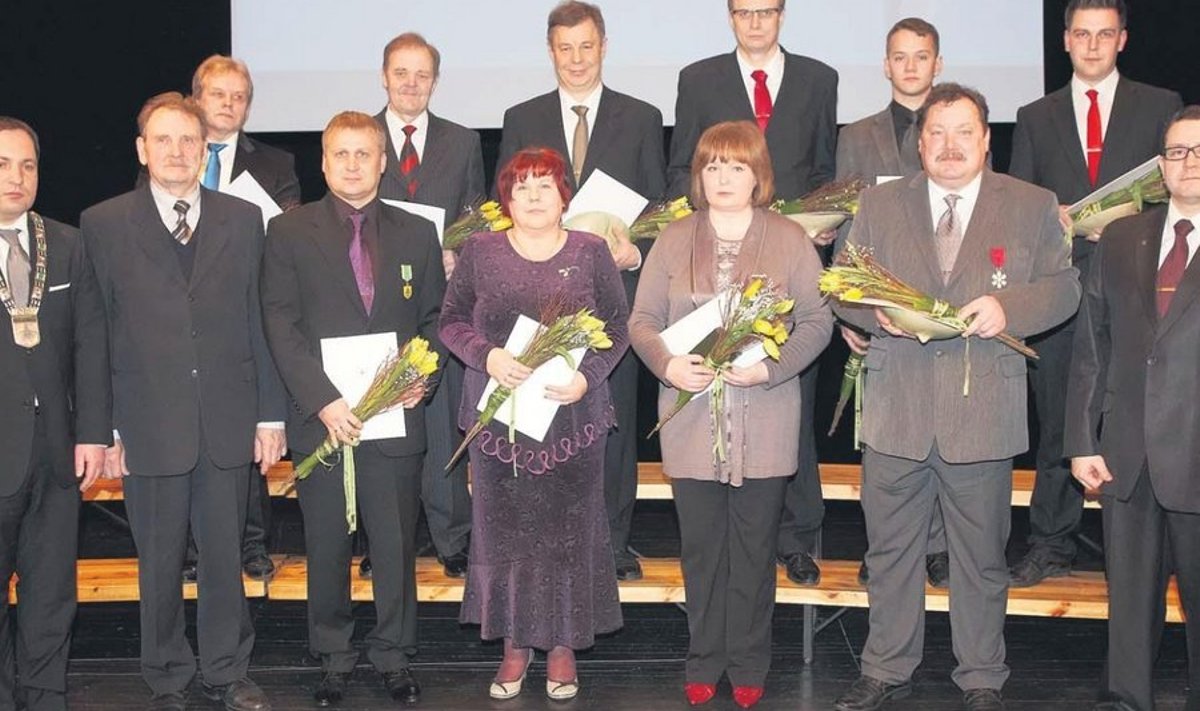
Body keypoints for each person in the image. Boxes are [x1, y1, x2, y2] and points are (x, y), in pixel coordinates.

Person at [831, 84, 1080, 711]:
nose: (949, 145)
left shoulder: (1031, 204)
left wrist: (1008, 306)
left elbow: (1065, 288)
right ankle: (885, 668)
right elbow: (838, 285)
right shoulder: (881, 205)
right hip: (897, 410)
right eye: (936, 132)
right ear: (920, 142)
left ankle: (981, 679)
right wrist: (870, 312)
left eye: (963, 131)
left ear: (986, 138)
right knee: (889, 554)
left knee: (980, 560)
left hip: (983, 414)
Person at [82, 92, 286, 711]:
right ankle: (167, 675)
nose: (177, 152)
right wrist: (101, 427)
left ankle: (227, 671)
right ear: (142, 150)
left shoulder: (243, 219)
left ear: (205, 151)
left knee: (224, 558)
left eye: (188, 141)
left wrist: (269, 414)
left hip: (228, 421)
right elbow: (95, 334)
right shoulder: (104, 223)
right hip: (146, 426)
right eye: (163, 140)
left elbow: (261, 320)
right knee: (160, 563)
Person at [629, 120, 832, 709]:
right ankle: (703, 659)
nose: (723, 177)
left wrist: (770, 369)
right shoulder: (673, 238)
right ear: (699, 175)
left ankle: (748, 662)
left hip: (764, 413)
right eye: (713, 166)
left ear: (757, 175)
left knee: (752, 548)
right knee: (701, 550)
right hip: (690, 417)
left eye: (736, 166)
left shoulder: (789, 238)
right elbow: (642, 321)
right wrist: (668, 365)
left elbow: (818, 323)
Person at [260, 111, 443, 708]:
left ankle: (394, 654)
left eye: (364, 154)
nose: (353, 164)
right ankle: (334, 656)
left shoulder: (417, 232)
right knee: (329, 548)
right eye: (341, 154)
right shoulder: (288, 233)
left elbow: (434, 322)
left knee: (393, 545)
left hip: (395, 423)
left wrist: (420, 379)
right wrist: (324, 401)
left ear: (383, 159)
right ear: (322, 161)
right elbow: (280, 326)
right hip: (324, 422)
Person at [439, 147, 629, 701]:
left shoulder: (591, 252)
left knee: (569, 532)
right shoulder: (479, 250)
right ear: (507, 198)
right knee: (506, 532)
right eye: (521, 187)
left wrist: (587, 379)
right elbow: (450, 320)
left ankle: (565, 645)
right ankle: (514, 644)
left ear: (564, 195)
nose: (533, 196)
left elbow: (616, 326)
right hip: (498, 419)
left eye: (545, 185)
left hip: (572, 417)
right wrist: (487, 356)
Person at [1007, 0, 1182, 587]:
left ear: (1123, 40)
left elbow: (1180, 190)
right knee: (1060, 415)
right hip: (1061, 285)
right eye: (1082, 34)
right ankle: (1051, 541)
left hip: (1142, 284)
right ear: (1064, 41)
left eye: (1104, 34)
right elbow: (1020, 207)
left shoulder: (1161, 106)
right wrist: (1047, 215)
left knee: (1138, 409)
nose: (1092, 45)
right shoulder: (1035, 114)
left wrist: (1133, 220)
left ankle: (1134, 547)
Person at [668, 0, 838, 587]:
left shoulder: (820, 78)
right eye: (745, 11)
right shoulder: (698, 79)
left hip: (788, 266)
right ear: (731, 18)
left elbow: (823, 171)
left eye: (767, 10)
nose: (756, 21)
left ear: (782, 15)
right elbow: (679, 168)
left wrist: (824, 220)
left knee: (788, 402)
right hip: (713, 260)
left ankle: (794, 539)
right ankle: (722, 538)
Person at [495, 0, 666, 582]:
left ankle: (612, 545)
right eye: (564, 48)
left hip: (614, 298)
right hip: (539, 305)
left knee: (611, 425)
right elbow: (505, 208)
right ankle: (546, 540)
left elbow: (658, 211)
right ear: (550, 51)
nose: (575, 59)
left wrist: (636, 252)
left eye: (585, 46)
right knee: (548, 423)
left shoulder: (642, 117)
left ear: (604, 46)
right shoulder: (521, 117)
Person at [1064, 106, 1200, 711]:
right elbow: (1092, 346)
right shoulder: (1122, 237)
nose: (1189, 163)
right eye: (1176, 152)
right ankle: (1126, 700)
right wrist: (1081, 440)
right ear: (1160, 165)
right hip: (1126, 453)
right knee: (1129, 605)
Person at [835, 17, 949, 588]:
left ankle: (935, 547)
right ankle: (886, 549)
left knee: (944, 430)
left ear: (938, 64)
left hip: (945, 302)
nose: (910, 66)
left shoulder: (960, 130)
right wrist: (846, 311)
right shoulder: (856, 134)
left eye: (921, 56)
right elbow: (843, 227)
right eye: (899, 56)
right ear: (885, 65)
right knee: (883, 437)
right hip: (880, 306)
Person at [0, 117, 109, 711]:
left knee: (50, 595)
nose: (16, 178)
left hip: (58, 452)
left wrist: (93, 433)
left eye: (27, 165)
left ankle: (44, 700)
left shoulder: (66, 243)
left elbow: (90, 344)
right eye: (2, 165)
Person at [368, 31, 485, 581]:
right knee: (385, 424)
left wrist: (457, 253)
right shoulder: (360, 138)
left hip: (442, 302)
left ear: (434, 81)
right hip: (374, 304)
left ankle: (452, 536)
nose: (411, 83)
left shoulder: (462, 142)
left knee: (442, 421)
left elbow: (478, 216)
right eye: (401, 72)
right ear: (384, 76)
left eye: (422, 74)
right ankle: (383, 538)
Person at [184, 54, 300, 583]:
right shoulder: (170, 155)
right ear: (197, 98)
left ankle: (253, 546)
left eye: (239, 96)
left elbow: (292, 240)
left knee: (248, 434)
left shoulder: (277, 165)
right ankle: (190, 549)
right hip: (184, 322)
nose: (229, 104)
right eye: (219, 94)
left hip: (247, 314)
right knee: (186, 434)